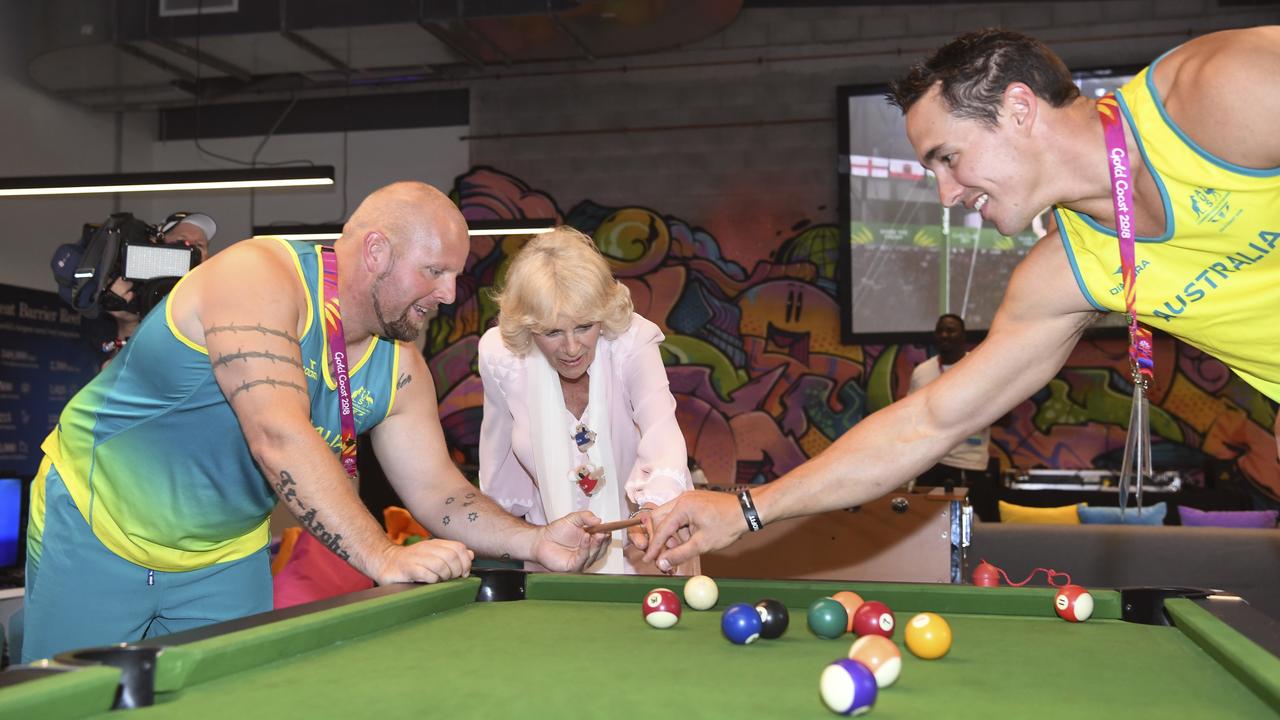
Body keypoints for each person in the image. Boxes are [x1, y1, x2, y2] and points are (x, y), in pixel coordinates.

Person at [643, 26, 1280, 571]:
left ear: (1019, 108)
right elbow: (929, 422)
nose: (946, 195)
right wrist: (747, 509)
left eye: (948, 158)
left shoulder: (1211, 96)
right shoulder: (1065, 274)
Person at [24, 182, 609, 661]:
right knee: (70, 705)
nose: (450, 293)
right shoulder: (258, 277)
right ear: (376, 252)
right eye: (435, 271)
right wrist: (383, 556)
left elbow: (438, 491)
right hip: (98, 522)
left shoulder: (399, 362)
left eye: (453, 275)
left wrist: (532, 540)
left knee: (239, 701)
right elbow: (278, 436)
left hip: (222, 553)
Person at [478, 227, 697, 574]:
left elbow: (662, 432)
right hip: (550, 551)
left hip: (646, 542)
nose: (571, 348)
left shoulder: (632, 342)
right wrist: (503, 529)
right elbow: (497, 453)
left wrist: (652, 508)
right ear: (528, 328)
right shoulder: (500, 355)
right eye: (551, 332)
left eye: (584, 327)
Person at [97, 211, 218, 363]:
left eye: (199, 245)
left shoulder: (216, 299)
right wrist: (127, 323)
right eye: (183, 242)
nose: (192, 250)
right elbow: (116, 376)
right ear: (156, 244)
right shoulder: (133, 291)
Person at [908, 314, 991, 490]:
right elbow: (911, 416)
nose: (944, 335)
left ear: (963, 335)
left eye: (951, 331)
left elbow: (1003, 415)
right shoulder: (922, 372)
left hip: (968, 462)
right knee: (925, 515)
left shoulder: (981, 367)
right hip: (928, 462)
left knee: (968, 516)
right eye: (940, 331)